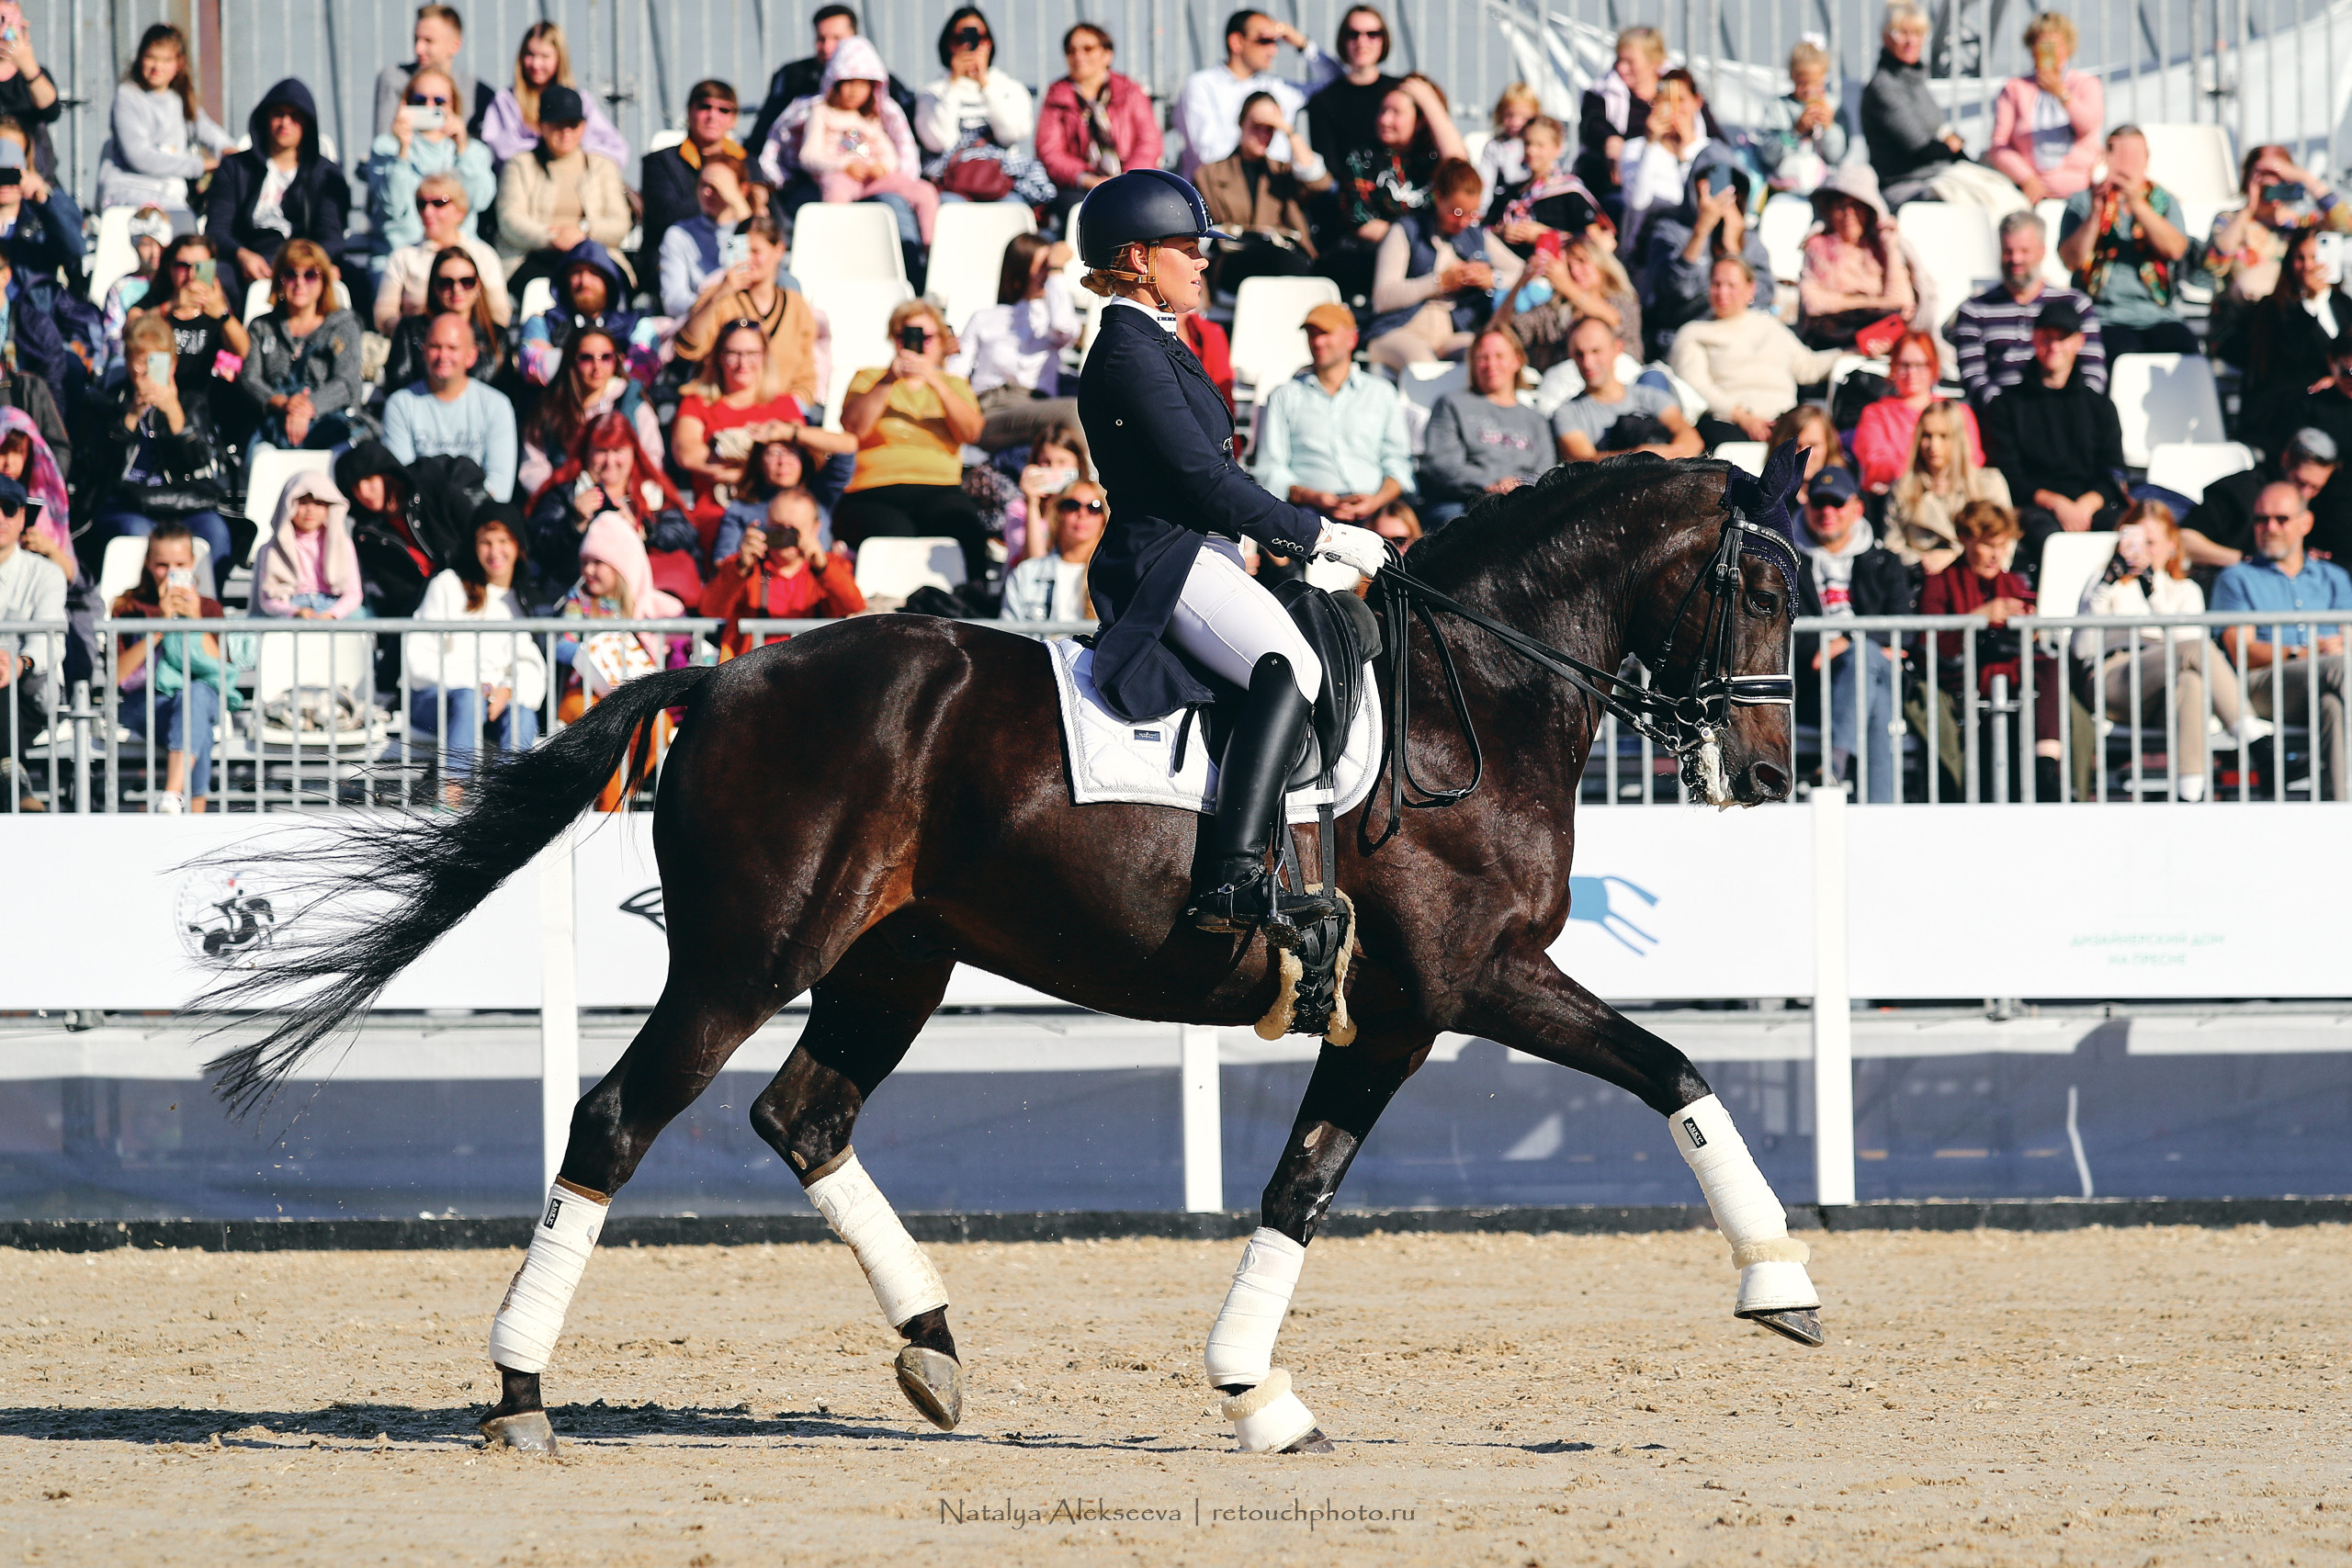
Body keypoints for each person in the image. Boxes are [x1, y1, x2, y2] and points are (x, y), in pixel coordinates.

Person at [1073, 166, 1390, 933]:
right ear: (1139, 258)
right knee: (1292, 665)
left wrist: (1280, 541)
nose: (1203, 259)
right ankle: (1234, 874)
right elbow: (1201, 478)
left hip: (1206, 549)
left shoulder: (1160, 342)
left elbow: (1219, 476)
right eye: (1188, 247)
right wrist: (1321, 534)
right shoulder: (1128, 351)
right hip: (1166, 557)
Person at [2075, 500, 2250, 800]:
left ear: (2171, 545)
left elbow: (2187, 651)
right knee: (2195, 651)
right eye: (2136, 540)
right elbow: (2081, 650)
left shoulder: (2185, 591)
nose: (2143, 550)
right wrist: (2107, 584)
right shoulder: (2104, 584)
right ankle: (2252, 735)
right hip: (2113, 680)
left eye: (2151, 542)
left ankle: (2189, 795)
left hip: (2162, 692)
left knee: (2191, 682)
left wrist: (2151, 591)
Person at [2211, 479, 2352, 799]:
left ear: (2306, 523)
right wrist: (2303, 652)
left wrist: (2333, 650)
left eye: (2281, 519)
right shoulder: (2236, 578)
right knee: (2342, 670)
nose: (2270, 528)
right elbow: (2242, 653)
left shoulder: (2334, 578)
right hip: (2262, 685)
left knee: (2332, 707)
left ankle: (2340, 809)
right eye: (2261, 519)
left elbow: (2348, 641)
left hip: (2329, 683)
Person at [835, 299, 993, 584]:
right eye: (904, 335)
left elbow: (971, 433)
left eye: (926, 337)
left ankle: (972, 601)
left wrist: (935, 380)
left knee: (964, 524)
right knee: (894, 534)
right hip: (873, 489)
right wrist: (888, 380)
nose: (916, 344)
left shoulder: (954, 384)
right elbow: (853, 427)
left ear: (941, 341)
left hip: (938, 488)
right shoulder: (870, 378)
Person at [1918, 499, 2063, 797]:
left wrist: (2030, 628)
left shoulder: (2014, 584)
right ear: (1965, 540)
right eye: (1988, 545)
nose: (1997, 555)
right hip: (1961, 681)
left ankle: (2047, 765)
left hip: (2012, 677)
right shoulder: (1940, 583)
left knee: (2050, 666)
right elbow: (1929, 646)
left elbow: (2033, 646)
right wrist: (1977, 618)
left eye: (2002, 545)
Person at [1794, 464, 1910, 801]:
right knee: (1877, 702)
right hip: (1814, 686)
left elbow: (1905, 631)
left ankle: (1834, 763)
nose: (1827, 512)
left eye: (1837, 503)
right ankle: (1880, 813)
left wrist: (1845, 643)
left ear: (1857, 508)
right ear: (1807, 507)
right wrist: (1865, 645)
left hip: (1876, 674)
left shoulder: (1884, 561)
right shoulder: (1787, 564)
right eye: (1819, 503)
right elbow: (1785, 632)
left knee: (1863, 661)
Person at [1979, 298, 2126, 562]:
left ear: (2079, 341)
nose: (2054, 346)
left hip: (2091, 507)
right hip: (2034, 509)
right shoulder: (2007, 405)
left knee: (2131, 535)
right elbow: (2010, 474)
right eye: (2047, 337)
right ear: (2034, 339)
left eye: (2062, 338)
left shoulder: (2100, 407)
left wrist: (2084, 507)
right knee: (2049, 540)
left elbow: (2113, 471)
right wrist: (2056, 504)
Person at [95, 315, 234, 593]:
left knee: (215, 532)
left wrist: (176, 418)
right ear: (127, 361)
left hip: (184, 504)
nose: (147, 371)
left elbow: (203, 467)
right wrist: (130, 418)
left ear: (172, 364)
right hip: (128, 503)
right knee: (136, 534)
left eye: (156, 362)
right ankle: (138, 606)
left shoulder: (191, 402)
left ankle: (206, 607)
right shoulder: (109, 401)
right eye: (139, 361)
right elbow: (98, 467)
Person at [404, 504, 548, 773]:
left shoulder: (521, 601)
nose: (495, 551)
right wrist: (475, 686)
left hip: (492, 703)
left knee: (523, 715)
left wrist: (508, 690)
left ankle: (506, 794)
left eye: (503, 541)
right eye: (486, 542)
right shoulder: (448, 585)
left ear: (518, 545)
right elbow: (418, 658)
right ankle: (452, 791)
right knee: (468, 700)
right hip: (437, 699)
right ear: (474, 546)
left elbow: (530, 666)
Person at [672, 320, 853, 533]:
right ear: (719, 357)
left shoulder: (784, 404)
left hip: (774, 512)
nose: (743, 363)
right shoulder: (697, 402)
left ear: (764, 357)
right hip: (716, 512)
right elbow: (689, 455)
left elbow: (794, 464)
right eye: (733, 354)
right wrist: (755, 467)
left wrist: (740, 473)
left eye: (752, 354)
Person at [1252, 302, 1415, 527]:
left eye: (1325, 333)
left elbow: (1399, 464)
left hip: (1376, 512)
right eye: (1312, 334)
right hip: (1308, 511)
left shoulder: (1381, 393)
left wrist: (1376, 501)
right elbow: (1270, 469)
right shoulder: (1284, 396)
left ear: (1352, 339)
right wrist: (1312, 497)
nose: (1317, 342)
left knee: (1398, 530)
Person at [111, 523, 236, 814]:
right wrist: (159, 627)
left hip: (199, 697)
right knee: (196, 722)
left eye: (180, 565)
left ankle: (171, 795)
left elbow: (220, 670)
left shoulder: (209, 609)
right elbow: (118, 675)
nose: (170, 572)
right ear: (148, 563)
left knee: (194, 696)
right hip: (145, 701)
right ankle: (195, 812)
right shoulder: (129, 606)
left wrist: (196, 621)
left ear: (192, 563)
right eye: (162, 565)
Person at [526, 411, 700, 608]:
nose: (610, 462)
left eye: (618, 450)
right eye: (601, 451)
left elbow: (686, 533)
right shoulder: (564, 494)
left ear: (633, 451)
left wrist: (644, 531)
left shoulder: (654, 493)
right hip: (578, 604)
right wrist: (575, 524)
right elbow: (539, 544)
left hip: (643, 603)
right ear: (586, 452)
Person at [205, 78, 356, 302]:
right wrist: (242, 256)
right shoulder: (235, 168)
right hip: (249, 259)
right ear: (265, 118)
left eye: (295, 116)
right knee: (210, 277)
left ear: (308, 123)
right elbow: (216, 230)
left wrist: (308, 265)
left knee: (355, 280)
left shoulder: (325, 174)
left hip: (306, 260)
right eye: (278, 114)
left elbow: (332, 236)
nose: (285, 123)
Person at [2057, 126, 2202, 357]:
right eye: (2120, 155)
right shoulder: (2083, 201)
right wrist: (2095, 214)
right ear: (2106, 157)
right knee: (2121, 352)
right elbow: (2071, 261)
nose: (2127, 164)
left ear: (2146, 159)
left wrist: (2136, 204)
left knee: (2184, 351)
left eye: (2135, 156)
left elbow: (2176, 250)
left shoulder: (2164, 201)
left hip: (2158, 315)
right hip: (2102, 316)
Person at [1364, 158, 1521, 368]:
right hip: (1398, 329)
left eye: (1472, 214)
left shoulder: (1475, 236)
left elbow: (1524, 272)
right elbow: (1383, 298)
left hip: (1451, 331)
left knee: (1482, 358)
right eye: (1456, 213)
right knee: (1424, 366)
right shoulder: (1406, 231)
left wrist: (1493, 279)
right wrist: (1440, 282)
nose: (1464, 222)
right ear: (1438, 197)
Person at [1669, 256, 1841, 447]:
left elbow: (1808, 367)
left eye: (1731, 285)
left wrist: (1851, 353)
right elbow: (1697, 385)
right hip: (1728, 422)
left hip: (1784, 421)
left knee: (1819, 435)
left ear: (1750, 289)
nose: (1722, 292)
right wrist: (1742, 416)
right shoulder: (1694, 333)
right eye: (1716, 284)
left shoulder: (1771, 326)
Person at [1325, 74, 1468, 299]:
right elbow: (1361, 222)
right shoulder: (1364, 157)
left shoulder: (1433, 159)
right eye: (1383, 110)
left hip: (1436, 252)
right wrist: (1409, 242)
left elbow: (1460, 167)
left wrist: (1430, 103)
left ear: (1421, 121)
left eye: (1396, 113)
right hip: (1380, 256)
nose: (1384, 120)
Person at [1947, 209, 2109, 406]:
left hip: (2067, 413)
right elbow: (1973, 378)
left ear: (2042, 251)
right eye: (2008, 251)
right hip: (2000, 416)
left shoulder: (2075, 304)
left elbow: (2094, 375)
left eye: (2024, 251)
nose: (2016, 259)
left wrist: (2064, 411)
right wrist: (2010, 412)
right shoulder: (1975, 310)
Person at [2205, 143, 2352, 358]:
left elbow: (2346, 224)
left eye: (2278, 174)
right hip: (2245, 327)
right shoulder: (2230, 221)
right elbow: (2214, 264)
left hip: (2296, 323)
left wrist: (2304, 178)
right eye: (2262, 173)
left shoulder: (2302, 224)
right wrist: (2250, 207)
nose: (2271, 181)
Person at [745, 6, 918, 175]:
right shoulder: (793, 77)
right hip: (807, 177)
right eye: (821, 39)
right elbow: (765, 132)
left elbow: (905, 135)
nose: (827, 47)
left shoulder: (881, 83)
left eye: (837, 38)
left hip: (873, 173)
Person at [949, 233, 1082, 451]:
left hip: (1038, 407)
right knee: (1072, 411)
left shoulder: (1052, 318)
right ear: (1022, 267)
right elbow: (956, 373)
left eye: (1049, 266)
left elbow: (1063, 326)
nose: (1047, 273)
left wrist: (1057, 271)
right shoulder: (984, 318)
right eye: (1043, 265)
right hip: (991, 411)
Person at [801, 37, 939, 244]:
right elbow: (808, 156)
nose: (854, 91)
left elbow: (889, 153)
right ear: (835, 82)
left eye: (862, 84)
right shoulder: (822, 112)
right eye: (849, 83)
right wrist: (844, 166)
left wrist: (882, 167)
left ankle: (931, 248)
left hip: (873, 179)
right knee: (836, 194)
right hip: (840, 176)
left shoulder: (871, 118)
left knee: (925, 191)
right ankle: (835, 246)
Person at [672, 215, 820, 406]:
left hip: (777, 414)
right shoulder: (718, 297)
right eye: (743, 251)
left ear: (779, 250)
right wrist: (717, 296)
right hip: (720, 408)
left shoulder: (796, 306)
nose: (748, 259)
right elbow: (688, 348)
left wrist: (783, 411)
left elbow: (805, 378)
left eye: (756, 251)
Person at [492, 85, 632, 288]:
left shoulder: (603, 166)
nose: (566, 132)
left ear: (583, 127)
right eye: (557, 124)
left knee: (606, 284)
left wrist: (584, 232)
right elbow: (510, 220)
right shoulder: (519, 165)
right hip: (533, 255)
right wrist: (552, 237)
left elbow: (619, 223)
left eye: (573, 124)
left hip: (592, 252)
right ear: (541, 125)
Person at [701, 486, 865, 655]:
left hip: (812, 663)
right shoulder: (745, 566)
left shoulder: (830, 566)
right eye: (778, 529)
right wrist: (741, 568)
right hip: (754, 665)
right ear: (766, 524)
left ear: (815, 528)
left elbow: (853, 605)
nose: (785, 537)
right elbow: (710, 610)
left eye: (793, 531)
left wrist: (823, 568)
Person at [1175, 8, 1333, 182]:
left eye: (1276, 42)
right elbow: (1207, 155)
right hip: (1219, 192)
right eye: (1264, 40)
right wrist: (1252, 132)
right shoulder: (1202, 85)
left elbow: (1338, 84)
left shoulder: (1278, 88)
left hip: (1274, 193)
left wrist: (1302, 44)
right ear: (1236, 42)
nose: (1273, 50)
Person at [1634, 165, 1774, 360]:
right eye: (1705, 187)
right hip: (1680, 343)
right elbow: (1674, 291)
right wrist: (1701, 232)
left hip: (1737, 343)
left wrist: (1733, 248)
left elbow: (1761, 298)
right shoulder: (1669, 233)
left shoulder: (1748, 241)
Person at [368, 64, 497, 275]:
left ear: (453, 105)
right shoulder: (386, 147)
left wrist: (462, 148)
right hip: (401, 259)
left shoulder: (474, 151)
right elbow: (391, 207)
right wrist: (402, 151)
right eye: (420, 101)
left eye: (439, 101)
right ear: (406, 103)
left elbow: (479, 201)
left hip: (459, 259)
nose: (429, 107)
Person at [1198, 93, 1332, 294]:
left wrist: (1289, 131)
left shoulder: (1282, 172)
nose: (1263, 134)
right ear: (1241, 123)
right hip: (1234, 262)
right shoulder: (1209, 174)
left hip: (1285, 260)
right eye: (1256, 126)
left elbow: (1318, 182)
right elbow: (1200, 234)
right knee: (1281, 263)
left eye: (1270, 128)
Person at [1419, 325, 1553, 526]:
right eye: (1483, 357)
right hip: (1463, 504)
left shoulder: (1536, 419)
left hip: (1523, 503)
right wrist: (1492, 484)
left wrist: (1518, 485)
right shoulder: (1451, 404)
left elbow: (1546, 472)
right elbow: (1442, 465)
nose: (1491, 364)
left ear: (1517, 360)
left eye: (1499, 356)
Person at [239, 240, 363, 454]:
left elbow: (347, 382)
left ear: (324, 281)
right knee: (260, 460)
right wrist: (283, 403)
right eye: (290, 274)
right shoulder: (261, 327)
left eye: (310, 275)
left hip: (330, 422)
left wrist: (308, 408)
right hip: (272, 426)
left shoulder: (343, 325)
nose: (299, 283)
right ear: (278, 280)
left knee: (347, 459)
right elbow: (250, 379)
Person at [915, 8, 1048, 208]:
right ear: (949, 44)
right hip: (951, 184)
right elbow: (939, 141)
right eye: (959, 38)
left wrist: (985, 84)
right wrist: (953, 85)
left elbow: (1012, 133)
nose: (969, 45)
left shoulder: (1009, 88)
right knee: (949, 209)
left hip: (1001, 182)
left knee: (1013, 209)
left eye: (980, 37)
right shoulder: (933, 93)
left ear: (989, 43)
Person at [95, 24, 232, 214]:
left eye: (166, 60)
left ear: (179, 63)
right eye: (151, 57)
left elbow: (207, 130)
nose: (157, 67)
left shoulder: (180, 98)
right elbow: (140, 157)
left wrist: (229, 151)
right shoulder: (127, 96)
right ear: (140, 58)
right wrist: (201, 165)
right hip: (128, 193)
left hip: (171, 195)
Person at [1036, 23, 1163, 227]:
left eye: (1087, 49)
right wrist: (1086, 178)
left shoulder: (1131, 92)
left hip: (1132, 181)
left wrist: (1126, 179)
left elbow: (1149, 142)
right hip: (1079, 187)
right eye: (1071, 51)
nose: (1078, 56)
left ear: (1107, 55)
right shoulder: (1056, 96)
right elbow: (1050, 152)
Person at [2240, 228, 2352, 457]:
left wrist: (2339, 379)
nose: (2308, 266)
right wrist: (2309, 303)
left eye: (2315, 257)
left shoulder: (2344, 305)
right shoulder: (2274, 308)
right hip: (2294, 406)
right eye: (2300, 258)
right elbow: (2288, 354)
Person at [385, 313, 519, 502]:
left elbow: (500, 487)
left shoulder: (497, 405)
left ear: (471, 355)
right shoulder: (400, 404)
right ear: (424, 351)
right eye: (435, 347)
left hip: (480, 513)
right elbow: (402, 480)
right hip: (422, 512)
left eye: (452, 348)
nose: (443, 356)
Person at [335, 439, 475, 618]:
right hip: (426, 610)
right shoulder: (365, 535)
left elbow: (474, 534)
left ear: (387, 474)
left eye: (369, 479)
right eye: (356, 486)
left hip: (473, 589)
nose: (364, 492)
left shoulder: (432, 488)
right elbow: (397, 592)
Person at [518, 328, 662, 500]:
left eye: (606, 357)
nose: (597, 366)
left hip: (625, 501)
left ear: (617, 360)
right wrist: (567, 499)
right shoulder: (548, 408)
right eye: (586, 358)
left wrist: (623, 499)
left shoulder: (633, 403)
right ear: (571, 360)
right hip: (565, 503)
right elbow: (533, 468)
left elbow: (652, 460)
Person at [1985, 13, 2104, 206]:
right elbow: (1999, 145)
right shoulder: (2015, 88)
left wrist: (2061, 93)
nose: (2050, 52)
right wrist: (2026, 178)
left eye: (2056, 45)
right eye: (2043, 45)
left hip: (2080, 191)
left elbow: (2089, 125)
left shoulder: (2086, 84)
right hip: (2031, 192)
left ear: (2068, 47)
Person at [1550, 314, 1701, 464]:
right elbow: (1582, 462)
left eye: (1596, 351)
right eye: (1579, 354)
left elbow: (1691, 440)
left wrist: (1657, 456)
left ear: (1617, 348)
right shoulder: (1567, 412)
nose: (1587, 362)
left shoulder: (1651, 397)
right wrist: (1642, 456)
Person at [1882, 398, 2011, 571]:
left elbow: (2005, 545)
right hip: (1920, 575)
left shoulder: (1989, 485)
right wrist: (1923, 562)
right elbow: (1893, 547)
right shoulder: (1902, 490)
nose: (1933, 446)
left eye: (1944, 436)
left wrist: (1956, 556)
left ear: (1958, 439)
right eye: (1927, 436)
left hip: (1974, 576)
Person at [1797, 166, 1919, 349]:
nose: (1849, 214)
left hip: (1883, 339)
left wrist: (1890, 247)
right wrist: (1876, 304)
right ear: (1828, 210)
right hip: (1834, 340)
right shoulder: (1817, 246)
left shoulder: (1882, 247)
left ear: (1869, 210)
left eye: (1856, 206)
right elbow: (1813, 304)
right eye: (1840, 206)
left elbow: (1902, 303)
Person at [639, 79, 746, 288]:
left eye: (723, 110)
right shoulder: (659, 162)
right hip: (677, 263)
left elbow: (765, 221)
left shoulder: (747, 162)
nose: (712, 116)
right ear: (689, 112)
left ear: (734, 119)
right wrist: (733, 201)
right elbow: (666, 214)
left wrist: (741, 205)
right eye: (705, 107)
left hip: (734, 260)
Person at [2182, 427, 2338, 570]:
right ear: (2285, 460)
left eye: (2316, 487)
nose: (2306, 493)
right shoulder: (2239, 491)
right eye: (2300, 482)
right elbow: (2184, 539)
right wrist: (2245, 561)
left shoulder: (2324, 505)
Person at [375, 173, 511, 334]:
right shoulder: (403, 257)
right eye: (421, 204)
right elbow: (384, 312)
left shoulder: (483, 255)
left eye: (439, 203)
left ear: (460, 211)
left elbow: (499, 312)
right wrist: (413, 334)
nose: (428, 211)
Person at [479, 22, 630, 167]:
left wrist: (571, 153)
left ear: (559, 58)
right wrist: (547, 150)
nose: (536, 64)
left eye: (545, 56)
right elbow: (500, 148)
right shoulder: (507, 101)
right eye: (530, 55)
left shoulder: (580, 100)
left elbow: (617, 149)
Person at [1862, 3, 1966, 208]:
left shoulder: (1915, 80)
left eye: (1918, 33)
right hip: (1905, 184)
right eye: (1902, 33)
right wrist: (1951, 146)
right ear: (1885, 37)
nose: (1911, 41)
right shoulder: (1884, 86)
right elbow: (1920, 147)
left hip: (1938, 176)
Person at [1854, 330, 1985, 491]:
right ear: (1893, 366)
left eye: (1920, 365)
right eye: (1904, 365)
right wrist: (1922, 475)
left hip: (1953, 491)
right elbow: (1876, 464)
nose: (1912, 373)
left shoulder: (1958, 412)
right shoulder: (1876, 414)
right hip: (1899, 492)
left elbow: (1973, 459)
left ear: (1933, 367)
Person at [0, 473, 62, 807]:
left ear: (22, 516)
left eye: (8, 508)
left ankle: (13, 784)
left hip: (32, 689)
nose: (0, 517)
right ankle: (14, 784)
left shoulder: (46, 573)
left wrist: (19, 663)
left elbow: (51, 639)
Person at [1494, 231, 1639, 373]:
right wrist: (1522, 281)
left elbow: (1614, 319)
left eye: (1581, 261)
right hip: (1562, 383)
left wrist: (1564, 284)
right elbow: (1502, 331)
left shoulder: (1622, 300)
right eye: (1568, 267)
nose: (1575, 271)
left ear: (1601, 263)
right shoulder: (1553, 310)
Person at [1616, 68, 1717, 258]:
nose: (1674, 108)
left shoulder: (1711, 152)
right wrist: (1650, 144)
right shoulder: (1635, 149)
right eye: (1666, 100)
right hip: (1645, 253)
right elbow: (1637, 202)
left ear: (1697, 101)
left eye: (1680, 100)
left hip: (1695, 251)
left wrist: (1686, 149)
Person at [148, 233, 250, 421]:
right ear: (169, 267)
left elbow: (242, 350)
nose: (191, 275)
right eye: (182, 266)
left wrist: (222, 314)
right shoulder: (157, 298)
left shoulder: (217, 308)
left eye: (201, 267)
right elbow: (131, 329)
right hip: (156, 397)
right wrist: (170, 307)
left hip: (200, 406)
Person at [383, 245, 508, 395]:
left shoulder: (497, 336)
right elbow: (397, 386)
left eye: (467, 282)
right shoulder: (410, 329)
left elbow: (506, 395)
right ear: (434, 287)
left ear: (478, 285)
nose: (456, 289)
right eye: (446, 283)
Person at [514, 240, 639, 388]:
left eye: (594, 273)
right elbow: (535, 368)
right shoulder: (542, 322)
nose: (584, 282)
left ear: (609, 280)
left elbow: (640, 372)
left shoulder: (632, 326)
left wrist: (557, 357)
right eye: (576, 273)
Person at [1304, 6, 1401, 190]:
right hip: (1349, 197)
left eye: (1372, 34)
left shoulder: (1401, 92)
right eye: (1353, 34)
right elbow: (1330, 168)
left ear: (1384, 39)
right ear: (1343, 40)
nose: (1362, 42)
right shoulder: (1323, 101)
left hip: (1402, 194)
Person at [1576, 26, 1664, 222]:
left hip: (1664, 186)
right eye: (1619, 60)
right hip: (1616, 189)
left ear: (1654, 63)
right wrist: (1611, 141)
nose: (1622, 68)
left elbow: (1711, 136)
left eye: (1630, 62)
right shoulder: (1602, 93)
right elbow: (1592, 122)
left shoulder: (1677, 93)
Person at [373, 5, 494, 142]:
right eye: (416, 39)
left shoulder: (478, 93)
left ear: (455, 45)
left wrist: (462, 141)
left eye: (428, 41)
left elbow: (485, 150)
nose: (418, 49)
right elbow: (381, 144)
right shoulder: (395, 78)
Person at [251, 470, 363, 621]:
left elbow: (354, 594)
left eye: (318, 503)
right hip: (291, 606)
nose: (310, 510)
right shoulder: (272, 548)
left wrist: (333, 614)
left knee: (363, 616)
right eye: (303, 503)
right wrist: (294, 612)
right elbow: (267, 601)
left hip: (334, 605)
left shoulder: (343, 544)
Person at [1484, 115, 1599, 260]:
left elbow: (1599, 241)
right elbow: (1482, 230)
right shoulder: (1511, 193)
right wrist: (1500, 232)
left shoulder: (1569, 191)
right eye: (1527, 143)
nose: (1531, 151)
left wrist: (1546, 235)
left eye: (1540, 145)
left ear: (1557, 148)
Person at [1755, 40, 1851, 197]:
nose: (1809, 90)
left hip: (1826, 188)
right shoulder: (1778, 107)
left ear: (1824, 77)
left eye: (1815, 83)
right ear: (1792, 76)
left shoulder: (1834, 107)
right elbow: (1768, 156)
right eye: (1802, 83)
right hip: (1786, 186)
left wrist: (1829, 127)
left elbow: (1837, 156)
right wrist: (1796, 131)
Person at [1001, 479, 1104, 623]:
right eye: (1072, 505)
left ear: (1104, 517)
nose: (1082, 513)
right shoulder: (1025, 573)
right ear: (1057, 513)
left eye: (1094, 507)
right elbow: (1010, 631)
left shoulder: (1116, 575)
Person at [98, 207, 173, 382]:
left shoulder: (175, 284)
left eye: (160, 245)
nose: (155, 252)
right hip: (130, 360)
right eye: (146, 244)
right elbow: (113, 336)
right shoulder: (121, 287)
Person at [0, 6, 59, 182]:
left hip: (33, 174)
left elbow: (52, 111)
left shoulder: (33, 74)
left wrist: (28, 66)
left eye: (10, 24)